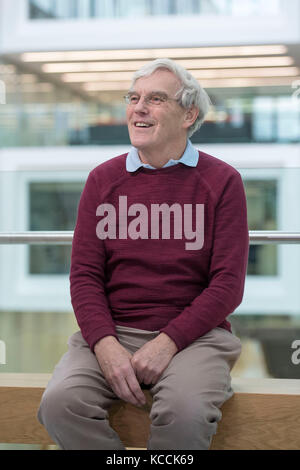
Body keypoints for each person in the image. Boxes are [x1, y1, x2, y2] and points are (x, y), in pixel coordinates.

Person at [37, 58, 249, 450]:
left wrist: (167, 342)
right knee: (59, 404)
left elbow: (228, 286)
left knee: (184, 413)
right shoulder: (103, 179)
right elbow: (84, 276)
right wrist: (104, 343)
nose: (139, 107)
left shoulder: (223, 182)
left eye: (155, 98)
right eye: (133, 98)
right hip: (111, 332)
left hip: (195, 338)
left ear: (189, 114)